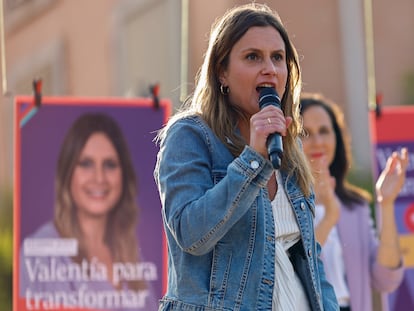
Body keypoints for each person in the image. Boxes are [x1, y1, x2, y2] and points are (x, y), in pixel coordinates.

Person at [154, 3, 338, 311]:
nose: (270, 68)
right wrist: (253, 159)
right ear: (221, 72)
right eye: (253, 57)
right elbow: (192, 234)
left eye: (277, 58)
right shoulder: (190, 136)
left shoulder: (288, 147)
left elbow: (310, 259)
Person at [19, 113, 158, 311]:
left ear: (123, 176)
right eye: (86, 163)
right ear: (68, 173)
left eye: (110, 164)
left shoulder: (132, 255)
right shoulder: (39, 252)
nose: (99, 177)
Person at [299, 92, 408, 311]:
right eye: (306, 133)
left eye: (324, 131)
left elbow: (385, 279)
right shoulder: (280, 203)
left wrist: (385, 204)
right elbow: (295, 271)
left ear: (336, 138)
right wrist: (329, 216)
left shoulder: (355, 207)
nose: (318, 141)